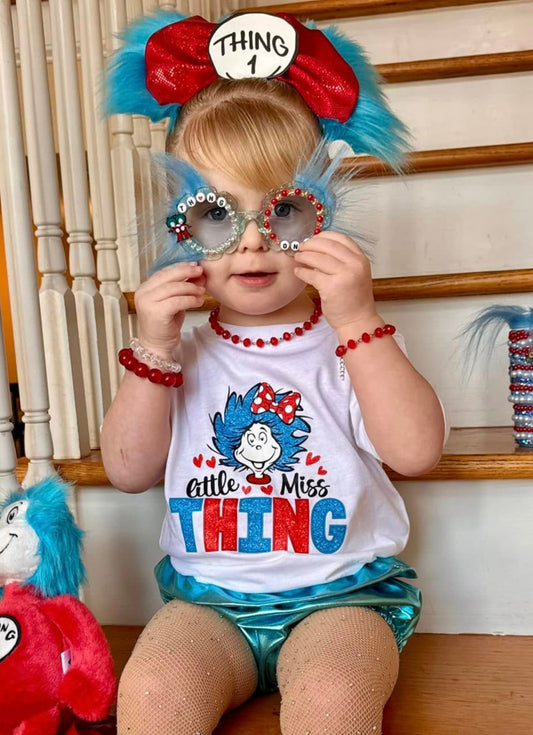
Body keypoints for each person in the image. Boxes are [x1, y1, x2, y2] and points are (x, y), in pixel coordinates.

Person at [101, 10, 447, 735]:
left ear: (325, 216)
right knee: (153, 691)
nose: (253, 241)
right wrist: (153, 347)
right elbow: (128, 471)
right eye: (216, 216)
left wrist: (356, 318)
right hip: (208, 603)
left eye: (283, 211)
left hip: (341, 598)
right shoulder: (182, 355)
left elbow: (416, 452)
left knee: (331, 697)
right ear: (181, 228)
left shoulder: (352, 344)